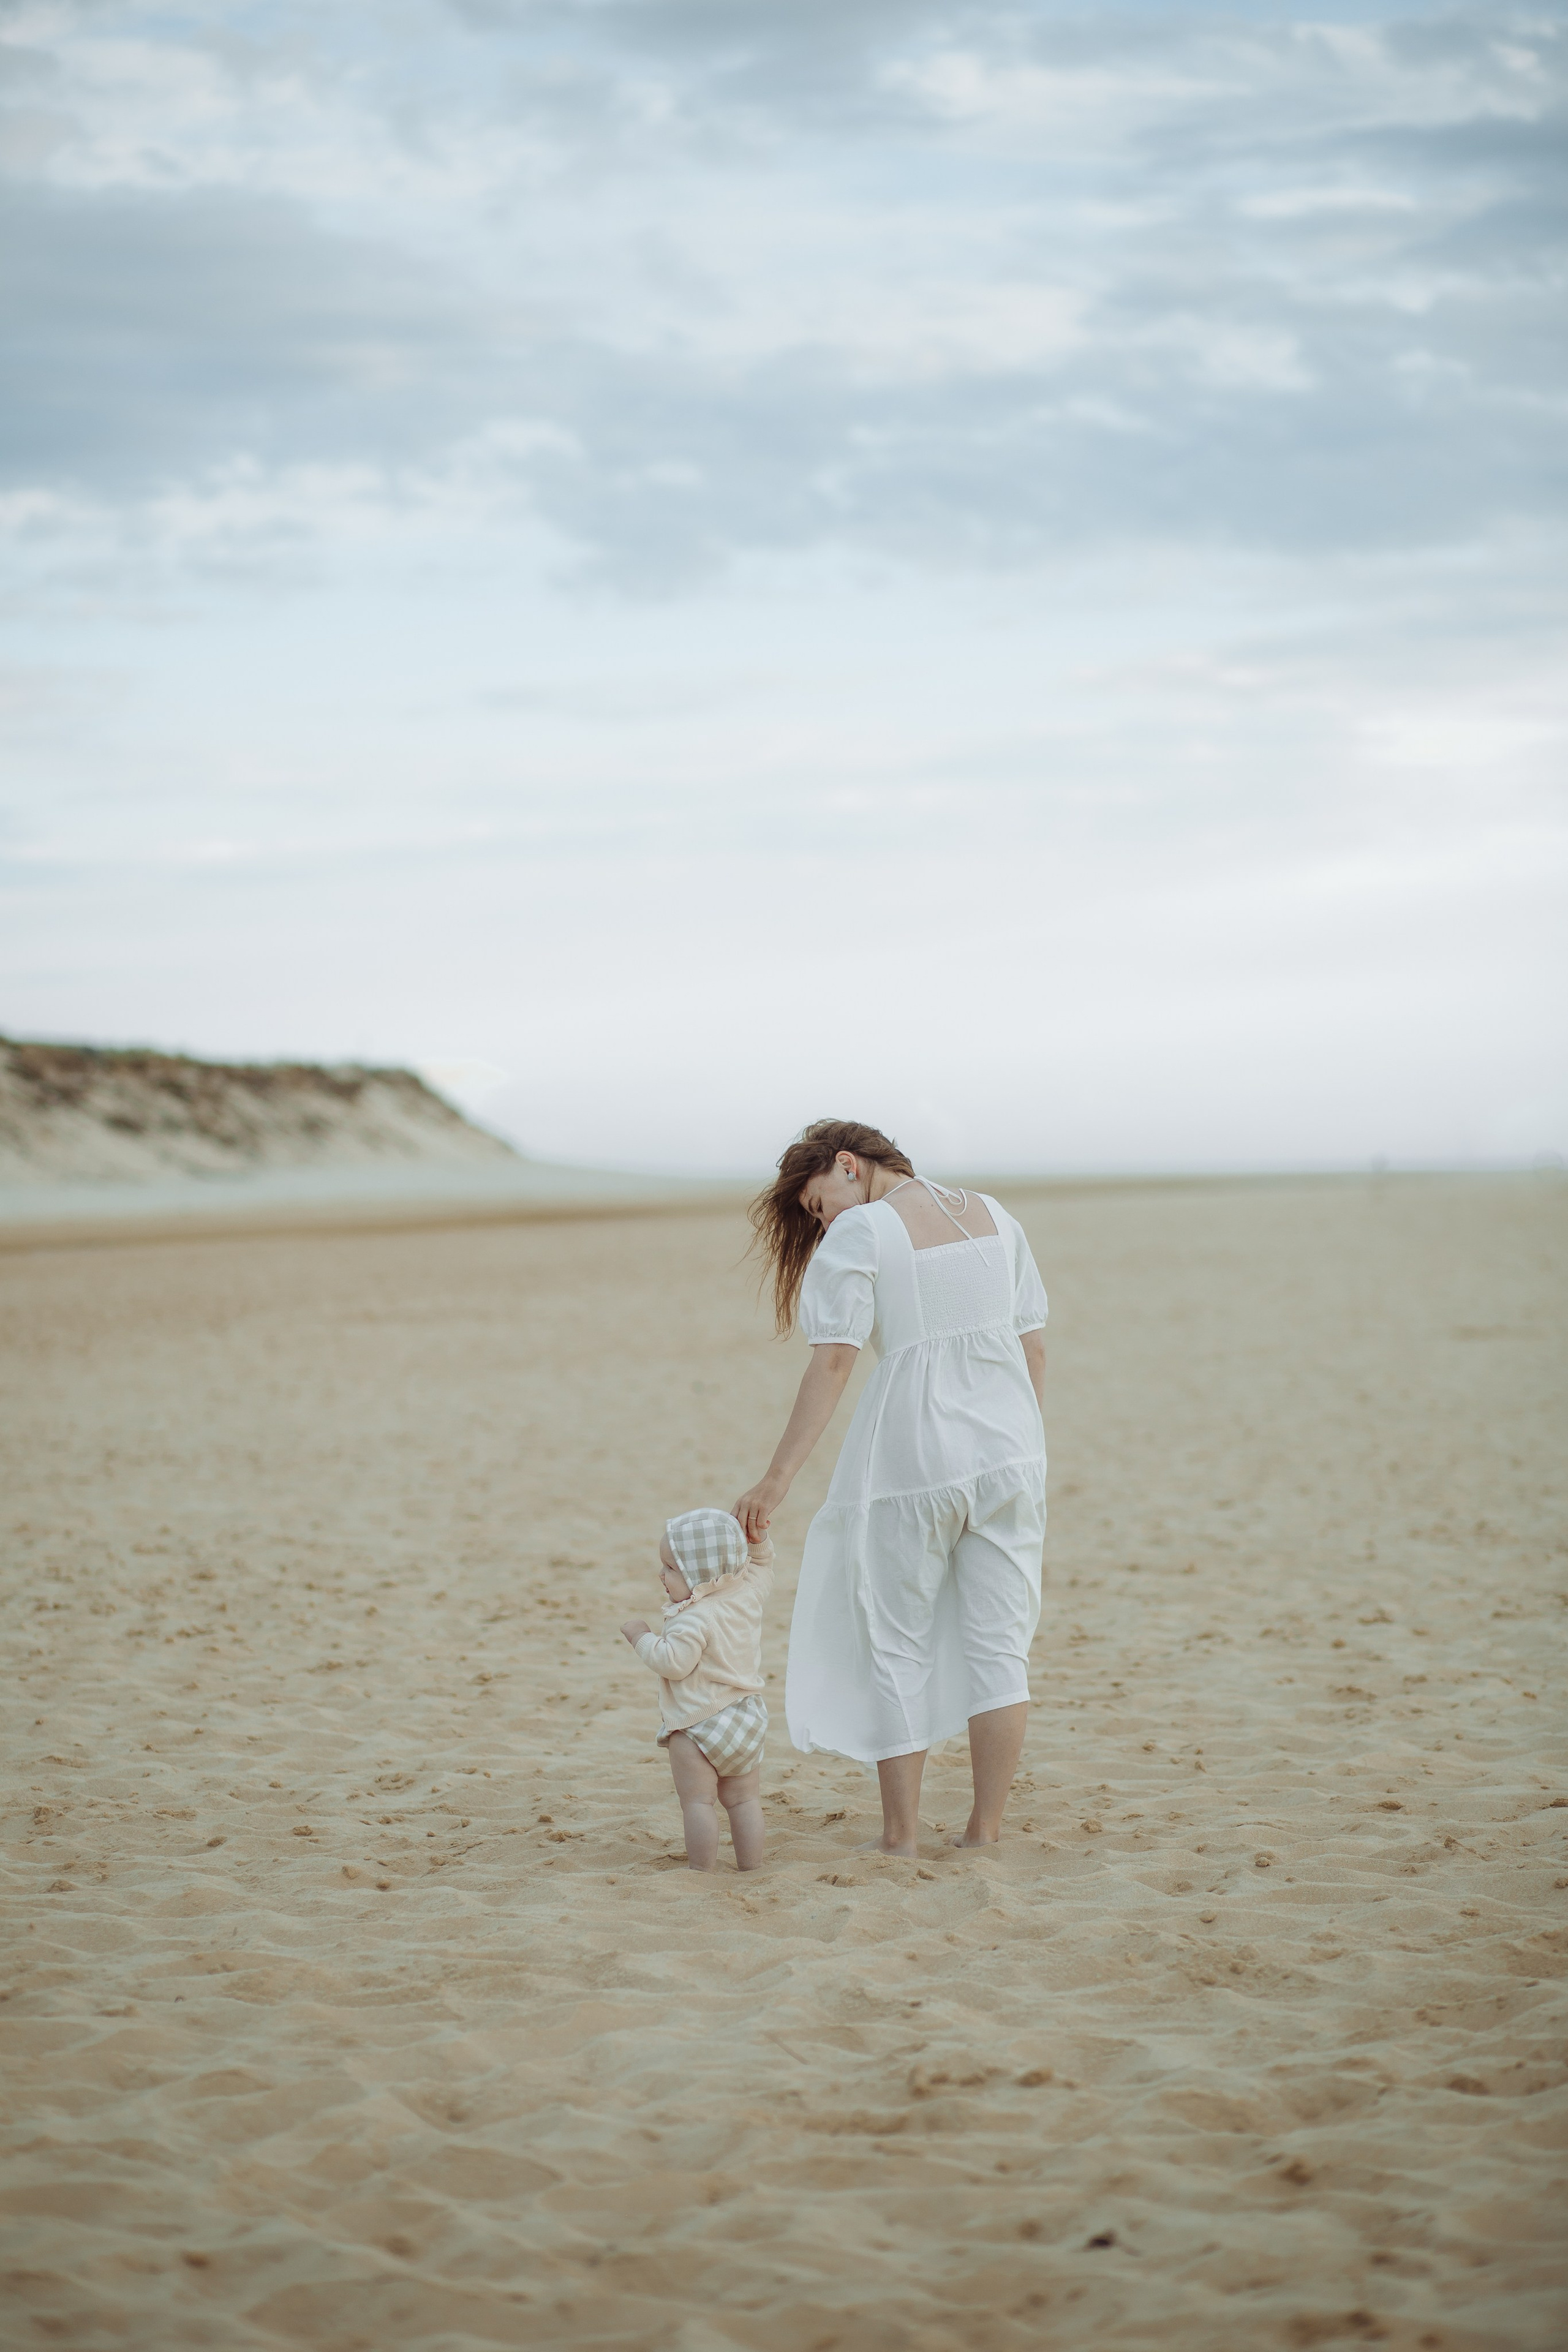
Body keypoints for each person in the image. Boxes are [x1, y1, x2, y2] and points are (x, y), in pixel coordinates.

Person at [734, 1120, 1047, 1857]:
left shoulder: (866, 1229)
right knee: (1001, 1648)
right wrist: (1021, 1443)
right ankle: (984, 1832)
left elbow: (836, 1363)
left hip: (913, 1458)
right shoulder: (997, 1216)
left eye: (819, 1205)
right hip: (1011, 1456)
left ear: (848, 1165)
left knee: (896, 1643)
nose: (826, 1222)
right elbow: (1032, 1342)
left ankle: (901, 1838)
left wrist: (775, 1480)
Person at [621, 1507, 774, 1872]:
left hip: (700, 1723)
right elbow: (763, 1565)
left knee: (698, 1803)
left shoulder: (693, 1618)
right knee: (743, 1801)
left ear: (700, 1574)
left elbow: (674, 1663)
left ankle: (701, 1873)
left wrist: (641, 1637)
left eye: (671, 1568)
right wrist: (759, 1541)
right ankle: (752, 1867)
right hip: (747, 1717)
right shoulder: (748, 1592)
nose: (662, 1575)